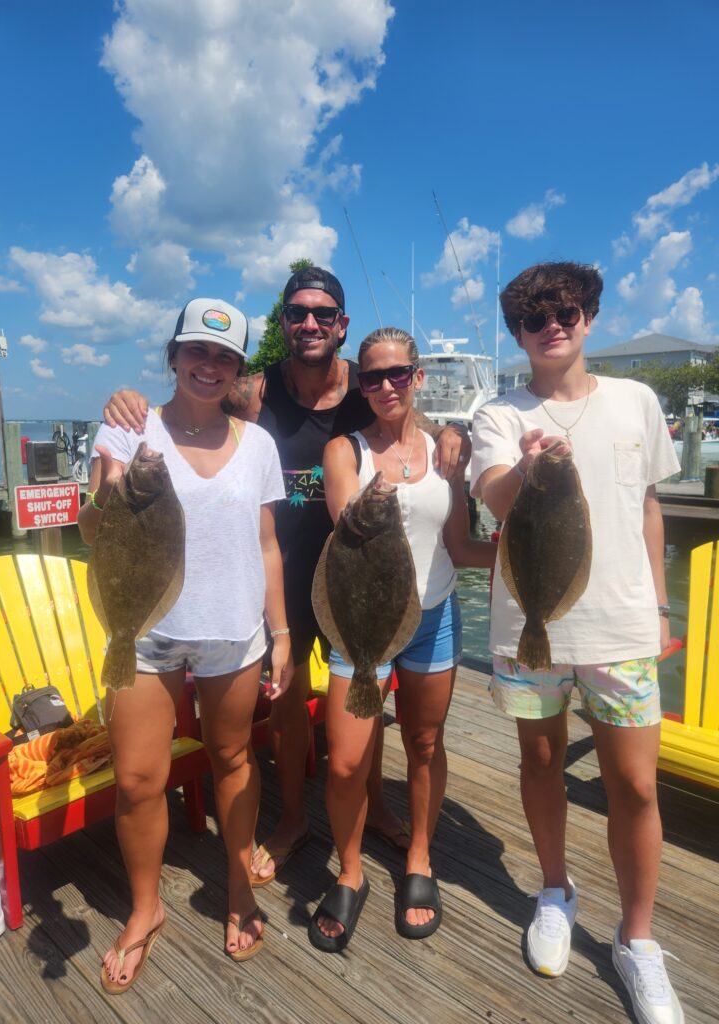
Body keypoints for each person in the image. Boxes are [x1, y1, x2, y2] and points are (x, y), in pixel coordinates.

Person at [102, 266, 469, 886]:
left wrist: (450, 431)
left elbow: (411, 422)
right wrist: (125, 402)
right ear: (283, 323)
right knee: (291, 700)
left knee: (367, 687)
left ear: (341, 325)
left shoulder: (365, 382)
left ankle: (376, 804)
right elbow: (193, 396)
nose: (309, 324)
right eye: (296, 312)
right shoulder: (254, 393)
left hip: (360, 567)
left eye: (322, 314)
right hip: (288, 568)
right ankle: (295, 816)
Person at [470, 262, 684, 1024]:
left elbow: (650, 506)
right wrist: (527, 469)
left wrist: (659, 605)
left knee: (634, 786)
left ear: (589, 316)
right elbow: (493, 496)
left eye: (566, 311)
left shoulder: (637, 401)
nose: (552, 324)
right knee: (540, 762)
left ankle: (636, 940)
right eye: (534, 317)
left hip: (622, 627)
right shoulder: (499, 412)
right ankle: (554, 889)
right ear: (518, 333)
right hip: (532, 629)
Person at [79, 298, 292, 990]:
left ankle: (238, 884)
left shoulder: (258, 444)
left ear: (237, 369)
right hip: (143, 635)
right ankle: (146, 909)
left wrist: (282, 631)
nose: (210, 365)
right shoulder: (127, 429)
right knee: (139, 780)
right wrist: (107, 484)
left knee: (233, 756)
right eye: (197, 351)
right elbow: (91, 525)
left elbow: (267, 544)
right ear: (173, 356)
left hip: (233, 630)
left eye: (225, 357)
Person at [307, 327, 496, 952]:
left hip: (435, 618)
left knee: (423, 742)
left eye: (396, 374)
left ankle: (418, 858)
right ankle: (352, 869)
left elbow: (462, 546)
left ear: (418, 377)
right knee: (344, 760)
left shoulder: (450, 454)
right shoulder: (345, 452)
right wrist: (380, 494)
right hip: (362, 622)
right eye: (371, 376)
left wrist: (517, 551)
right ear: (359, 384)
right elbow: (349, 538)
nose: (384, 386)